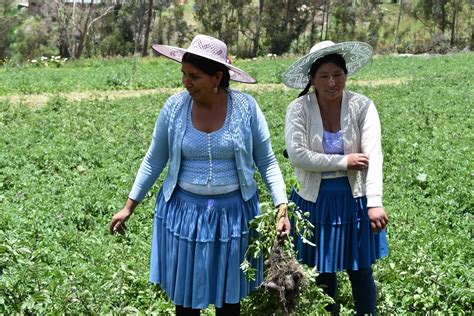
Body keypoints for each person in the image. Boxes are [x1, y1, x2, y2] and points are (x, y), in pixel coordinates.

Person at [109, 34, 290, 316]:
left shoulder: (246, 109)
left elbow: (267, 162)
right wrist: (129, 206)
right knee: (186, 297)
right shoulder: (174, 109)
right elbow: (154, 160)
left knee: (229, 299)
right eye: (183, 74)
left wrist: (282, 208)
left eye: (194, 76)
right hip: (185, 214)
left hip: (234, 215)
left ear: (217, 77)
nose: (185, 82)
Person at [282, 41, 389, 315]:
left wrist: (374, 201)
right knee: (324, 270)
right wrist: (345, 161)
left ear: (346, 75)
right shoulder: (299, 109)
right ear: (312, 79)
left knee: (360, 268)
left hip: (354, 198)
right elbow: (298, 155)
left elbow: (374, 155)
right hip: (315, 199)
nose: (332, 82)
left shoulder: (362, 106)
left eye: (338, 75)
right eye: (324, 76)